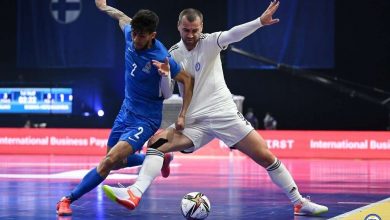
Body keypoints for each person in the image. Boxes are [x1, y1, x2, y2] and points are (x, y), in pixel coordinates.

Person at [103, 1, 328, 216]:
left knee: (266, 156)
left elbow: (234, 33)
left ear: (202, 28)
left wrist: (259, 21)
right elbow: (165, 91)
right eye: (186, 30)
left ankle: (299, 202)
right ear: (179, 27)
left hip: (225, 115)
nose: (190, 35)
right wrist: (164, 75)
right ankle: (135, 191)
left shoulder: (211, 41)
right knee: (155, 144)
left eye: (195, 30)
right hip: (193, 122)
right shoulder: (171, 54)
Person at [56, 0, 193, 216]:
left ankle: (67, 199)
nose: (136, 39)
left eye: (142, 35)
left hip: (145, 120)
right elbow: (122, 17)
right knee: (116, 162)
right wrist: (104, 7)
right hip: (125, 111)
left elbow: (187, 79)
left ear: (152, 35)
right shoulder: (130, 32)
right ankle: (160, 157)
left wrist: (183, 112)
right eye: (135, 33)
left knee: (108, 161)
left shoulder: (161, 56)